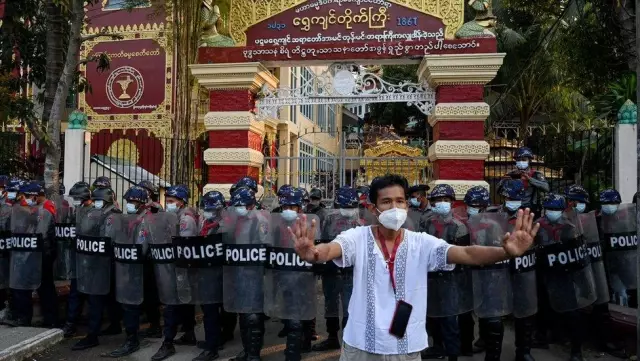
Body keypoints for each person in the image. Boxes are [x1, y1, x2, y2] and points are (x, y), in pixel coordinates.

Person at [289, 174, 540, 360]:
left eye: (400, 201)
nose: (395, 208)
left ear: (408, 205)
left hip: (405, 346)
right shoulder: (357, 237)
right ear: (373, 209)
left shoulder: (421, 243)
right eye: (386, 202)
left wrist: (505, 252)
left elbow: (466, 253)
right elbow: (330, 250)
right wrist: (312, 253)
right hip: (360, 345)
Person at [536, 194, 595, 361]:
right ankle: (545, 337)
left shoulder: (570, 227)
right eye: (550, 209)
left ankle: (576, 351)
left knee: (572, 313)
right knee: (544, 308)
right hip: (544, 274)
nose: (553, 212)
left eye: (556, 209)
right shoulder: (537, 226)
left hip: (565, 275)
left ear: (562, 211)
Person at [422, 184, 472, 361]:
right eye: (438, 201)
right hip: (430, 275)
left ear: (452, 202)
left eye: (445, 200)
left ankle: (452, 353)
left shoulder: (459, 226)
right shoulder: (426, 222)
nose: (442, 203)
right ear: (433, 203)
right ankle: (437, 346)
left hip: (451, 277)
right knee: (432, 314)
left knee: (450, 317)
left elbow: (463, 254)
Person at [266, 188, 316, 360]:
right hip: (283, 276)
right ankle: (295, 345)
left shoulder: (308, 225)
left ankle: (294, 352)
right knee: (289, 312)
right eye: (285, 206)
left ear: (300, 208)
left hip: (301, 277)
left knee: (296, 316)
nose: (287, 210)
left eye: (291, 207)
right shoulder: (277, 224)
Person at [152, 185, 199, 361]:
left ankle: (168, 343)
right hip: (179, 267)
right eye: (168, 200)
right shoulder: (176, 216)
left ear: (181, 202)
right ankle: (189, 333)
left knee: (171, 304)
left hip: (180, 267)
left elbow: (183, 244)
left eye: (171, 201)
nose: (168, 203)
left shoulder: (186, 219)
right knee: (184, 302)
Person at [72, 187, 122, 350]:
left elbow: (107, 239)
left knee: (96, 298)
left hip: (104, 262)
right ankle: (114, 325)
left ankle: (92, 335)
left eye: (97, 200)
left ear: (106, 200)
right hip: (104, 262)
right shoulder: (99, 213)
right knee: (108, 298)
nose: (94, 203)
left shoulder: (112, 216)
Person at [313, 186, 362, 352]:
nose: (348, 211)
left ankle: (349, 341)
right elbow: (321, 241)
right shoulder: (328, 219)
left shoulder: (362, 219)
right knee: (331, 305)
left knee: (351, 306)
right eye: (345, 207)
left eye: (351, 207)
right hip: (332, 269)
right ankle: (332, 337)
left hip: (353, 272)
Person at [223, 187, 269, 361]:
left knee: (252, 315)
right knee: (243, 312)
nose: (237, 209)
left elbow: (265, 245)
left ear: (250, 205)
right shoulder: (235, 220)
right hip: (237, 271)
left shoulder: (260, 220)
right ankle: (246, 349)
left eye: (241, 205)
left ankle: (254, 354)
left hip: (253, 272)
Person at [106, 186, 150, 357]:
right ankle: (131, 336)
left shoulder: (145, 221)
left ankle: (132, 340)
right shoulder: (126, 219)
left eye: (133, 201)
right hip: (124, 265)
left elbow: (142, 246)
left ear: (141, 203)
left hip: (137, 267)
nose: (130, 204)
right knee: (126, 303)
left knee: (131, 304)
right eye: (129, 201)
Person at [7, 181, 58, 327]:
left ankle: (51, 322)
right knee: (22, 289)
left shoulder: (44, 213)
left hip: (41, 257)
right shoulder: (20, 212)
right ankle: (23, 319)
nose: (21, 199)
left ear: (33, 197)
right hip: (24, 256)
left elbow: (39, 235)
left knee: (45, 290)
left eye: (24, 196)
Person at [192, 190, 227, 361]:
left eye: (212, 209)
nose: (209, 212)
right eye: (207, 208)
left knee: (215, 310)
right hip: (206, 272)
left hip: (220, 272)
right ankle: (213, 341)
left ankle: (213, 346)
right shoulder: (204, 223)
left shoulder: (225, 226)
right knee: (209, 310)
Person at [61, 181, 92, 338]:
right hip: (78, 258)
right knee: (75, 293)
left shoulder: (94, 212)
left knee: (93, 297)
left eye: (77, 198)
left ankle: (92, 327)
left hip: (92, 261)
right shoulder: (78, 211)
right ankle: (71, 323)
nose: (75, 201)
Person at [506, 147, 549, 214]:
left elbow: (546, 187)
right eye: (518, 160)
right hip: (513, 207)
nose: (520, 162)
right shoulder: (511, 174)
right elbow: (501, 191)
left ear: (530, 161)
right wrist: (504, 182)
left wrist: (529, 179)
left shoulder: (536, 174)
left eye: (524, 160)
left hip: (530, 208)